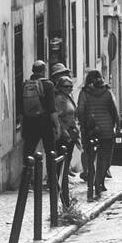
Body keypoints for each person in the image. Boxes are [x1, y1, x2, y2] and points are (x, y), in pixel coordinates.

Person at [77, 70, 119, 198]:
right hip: (107, 130)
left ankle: (92, 182)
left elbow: (80, 110)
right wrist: (117, 125)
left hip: (91, 131)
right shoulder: (107, 92)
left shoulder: (84, 93)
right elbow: (114, 110)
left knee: (90, 157)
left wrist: (84, 127)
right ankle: (99, 181)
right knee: (105, 156)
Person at [51, 65, 79, 206]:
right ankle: (62, 199)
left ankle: (64, 198)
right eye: (66, 87)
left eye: (70, 87)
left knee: (64, 168)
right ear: (61, 87)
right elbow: (57, 117)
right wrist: (64, 131)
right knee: (61, 168)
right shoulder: (60, 99)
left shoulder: (67, 97)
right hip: (64, 137)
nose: (69, 89)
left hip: (70, 136)